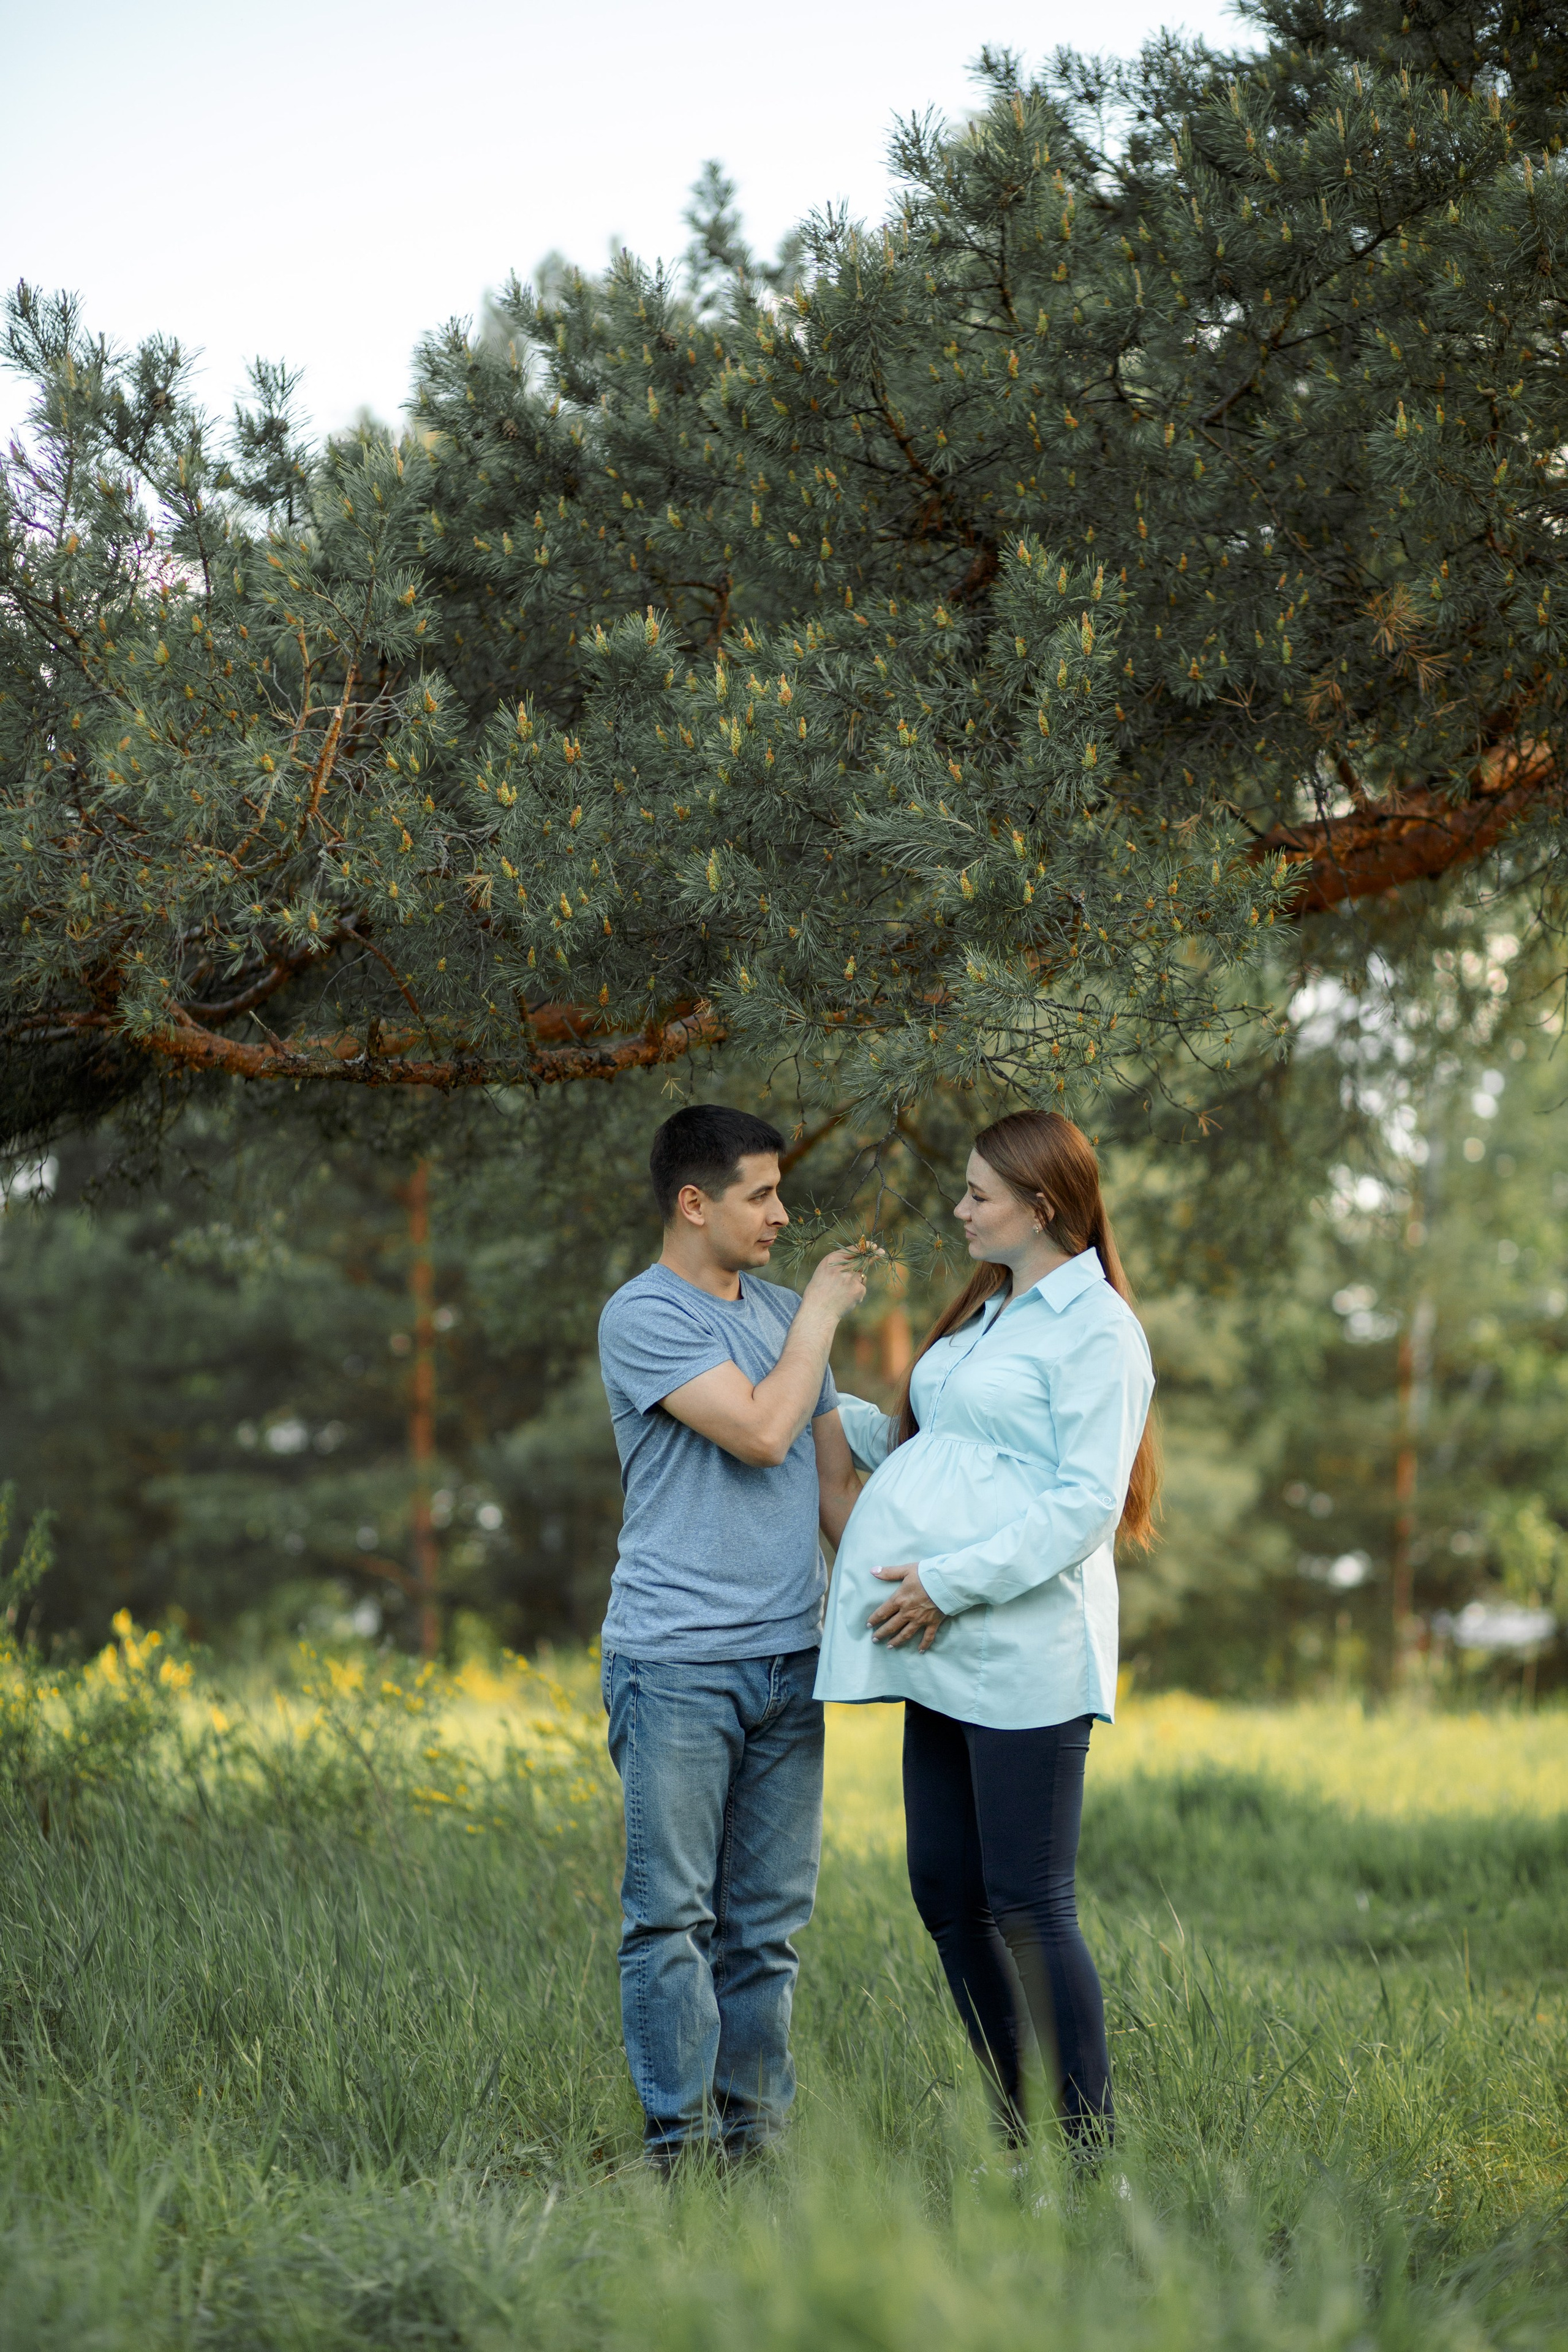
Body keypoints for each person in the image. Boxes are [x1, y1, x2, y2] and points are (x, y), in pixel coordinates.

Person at [813, 1110, 1157, 2154]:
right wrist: (798, 1376)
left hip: (1021, 1649)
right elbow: (932, 1447)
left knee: (1027, 1903)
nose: (959, 1210)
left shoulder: (1100, 1331)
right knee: (948, 1896)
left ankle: (1089, 2154)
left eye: (978, 1195)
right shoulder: (991, 1313)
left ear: (1041, 1206)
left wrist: (948, 1585)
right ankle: (1019, 2133)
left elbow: (1083, 1505)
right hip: (941, 1648)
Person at [597, 1103, 870, 2168]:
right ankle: (681, 2151)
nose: (782, 1214)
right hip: (675, 1666)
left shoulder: (785, 1319)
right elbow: (763, 1435)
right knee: (671, 1922)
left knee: (766, 1933)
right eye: (760, 1194)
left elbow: (835, 1495)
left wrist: (935, 1594)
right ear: (693, 1202)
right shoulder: (643, 1317)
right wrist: (819, 1319)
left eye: (780, 1192)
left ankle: (755, 2157)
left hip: (790, 1663)